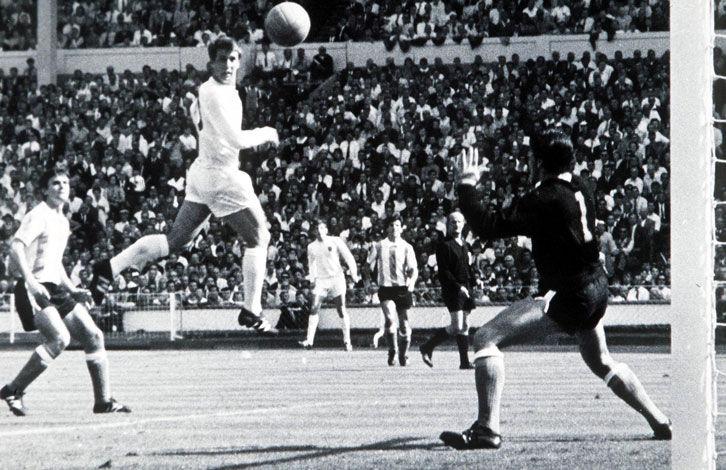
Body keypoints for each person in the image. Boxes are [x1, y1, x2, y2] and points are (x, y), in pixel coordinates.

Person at [440, 132, 671, 450]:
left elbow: (487, 226)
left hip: (569, 293)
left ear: (538, 163)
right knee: (601, 360)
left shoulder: (544, 199)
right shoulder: (580, 186)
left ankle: (487, 429)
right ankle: (659, 420)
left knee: (485, 338)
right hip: (596, 287)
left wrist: (466, 187)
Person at [89, 36, 280, 336]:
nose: (228, 65)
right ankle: (252, 309)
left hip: (202, 173)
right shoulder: (219, 94)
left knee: (174, 242)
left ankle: (109, 267)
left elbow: (207, 128)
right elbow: (236, 140)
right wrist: (267, 131)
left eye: (233, 59)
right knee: (259, 238)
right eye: (222, 59)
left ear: (239, 61)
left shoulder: (209, 91)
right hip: (222, 176)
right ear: (211, 63)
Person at [1, 168, 130, 416]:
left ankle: (103, 402)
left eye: (64, 182)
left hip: (54, 286)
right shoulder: (38, 215)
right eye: (55, 183)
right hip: (33, 287)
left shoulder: (61, 220)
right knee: (59, 339)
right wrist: (30, 281)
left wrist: (73, 289)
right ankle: (14, 389)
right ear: (45, 189)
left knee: (93, 335)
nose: (61, 186)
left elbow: (55, 262)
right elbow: (16, 248)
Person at [419, 211, 476, 370]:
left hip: (465, 289)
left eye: (459, 222)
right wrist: (459, 287)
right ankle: (427, 346)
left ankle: (464, 362)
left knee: (465, 324)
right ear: (447, 225)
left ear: (463, 224)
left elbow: (466, 268)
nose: (456, 225)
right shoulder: (444, 246)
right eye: (453, 222)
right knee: (456, 326)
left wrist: (474, 281)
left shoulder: (464, 244)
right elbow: (444, 272)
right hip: (453, 289)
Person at [299, 219, 360, 351]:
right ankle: (309, 341)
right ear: (314, 231)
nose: (319, 231)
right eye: (317, 229)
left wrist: (354, 274)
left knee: (341, 309)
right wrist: (312, 278)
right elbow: (311, 264)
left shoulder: (335, 241)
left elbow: (348, 257)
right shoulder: (311, 246)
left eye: (322, 228)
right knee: (314, 307)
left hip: (337, 279)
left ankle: (347, 342)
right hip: (321, 281)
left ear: (326, 230)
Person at [367, 216, 418, 366]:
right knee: (389, 319)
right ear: (386, 228)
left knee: (404, 324)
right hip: (386, 289)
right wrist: (368, 282)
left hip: (402, 288)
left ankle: (404, 354)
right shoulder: (378, 246)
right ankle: (393, 349)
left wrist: (412, 281)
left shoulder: (407, 247)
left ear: (401, 228)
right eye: (391, 225)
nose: (394, 228)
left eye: (397, 225)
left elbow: (414, 269)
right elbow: (368, 264)